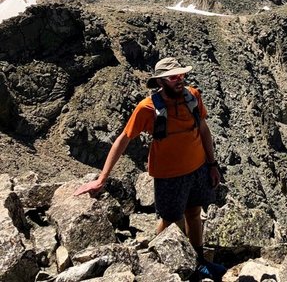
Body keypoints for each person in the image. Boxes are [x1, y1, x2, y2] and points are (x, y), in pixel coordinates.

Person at [75, 57, 225, 280]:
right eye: (173, 77)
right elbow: (124, 139)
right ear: (161, 81)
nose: (179, 80)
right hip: (169, 176)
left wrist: (212, 165)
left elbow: (203, 129)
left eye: (181, 75)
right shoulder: (147, 108)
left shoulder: (192, 96)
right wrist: (102, 178)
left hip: (198, 168)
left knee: (194, 213)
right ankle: (159, 265)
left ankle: (199, 262)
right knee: (170, 219)